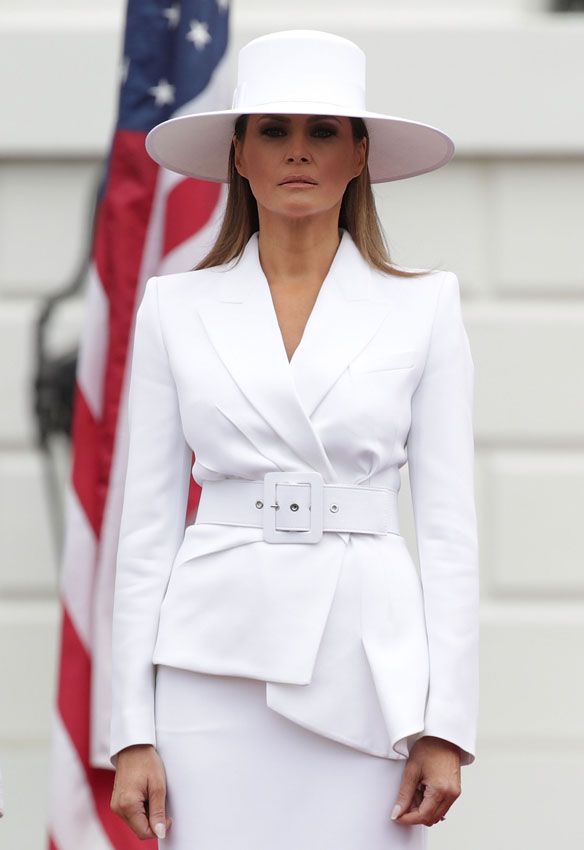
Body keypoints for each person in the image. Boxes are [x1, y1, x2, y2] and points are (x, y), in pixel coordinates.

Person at [109, 29, 479, 849]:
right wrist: (130, 728)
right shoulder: (177, 308)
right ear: (239, 154)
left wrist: (447, 722)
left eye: (323, 132)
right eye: (274, 130)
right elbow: (143, 530)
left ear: (360, 155)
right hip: (212, 671)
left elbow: (451, 534)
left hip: (366, 675)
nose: (298, 152)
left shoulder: (426, 307)